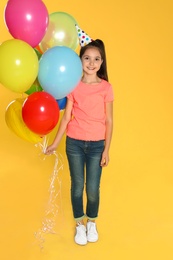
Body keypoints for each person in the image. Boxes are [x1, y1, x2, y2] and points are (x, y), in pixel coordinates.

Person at [45, 38, 114, 245]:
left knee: (92, 188)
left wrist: (106, 150)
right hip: (74, 142)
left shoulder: (106, 87)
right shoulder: (73, 85)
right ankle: (79, 225)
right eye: (87, 58)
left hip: (97, 145)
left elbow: (109, 120)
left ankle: (91, 221)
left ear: (101, 63)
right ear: (80, 60)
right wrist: (56, 143)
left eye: (96, 59)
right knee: (77, 186)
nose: (91, 63)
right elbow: (66, 117)